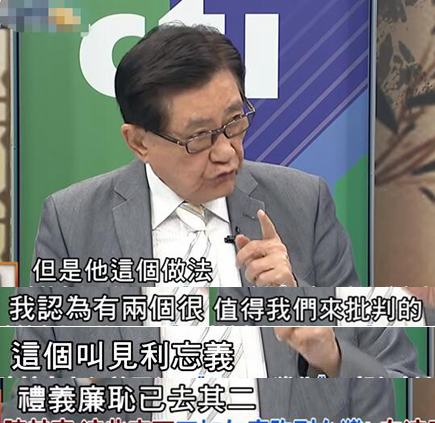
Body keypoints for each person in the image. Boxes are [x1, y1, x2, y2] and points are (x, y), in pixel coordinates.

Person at [19, 23, 420, 421]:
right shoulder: (73, 222)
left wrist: (327, 351)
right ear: (139, 142)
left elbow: (392, 376)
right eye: (199, 137)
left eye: (234, 123)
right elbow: (33, 391)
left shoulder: (303, 204)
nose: (227, 152)